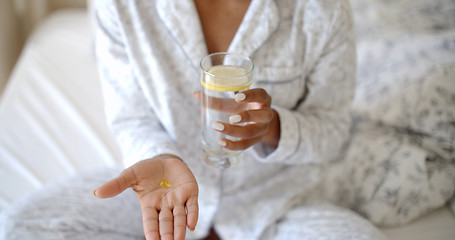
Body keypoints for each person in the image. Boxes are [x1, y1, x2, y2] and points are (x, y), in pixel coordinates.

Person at [0, 0, 386, 239]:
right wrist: (160, 158)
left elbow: (333, 130)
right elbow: (131, 115)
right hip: (159, 189)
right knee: (23, 228)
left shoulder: (322, 10)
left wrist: (272, 128)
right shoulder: (122, 5)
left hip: (273, 207)